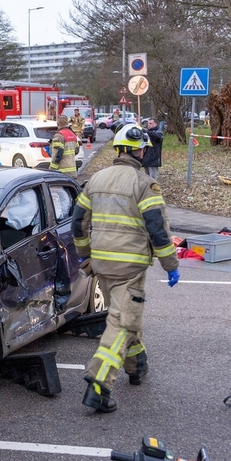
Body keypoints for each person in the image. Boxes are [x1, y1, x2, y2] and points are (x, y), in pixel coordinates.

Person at [72, 124, 179, 413]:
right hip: (130, 268)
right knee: (121, 323)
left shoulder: (95, 180)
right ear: (138, 151)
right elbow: (157, 229)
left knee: (125, 314)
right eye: (144, 148)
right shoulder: (144, 184)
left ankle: (137, 367)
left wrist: (86, 257)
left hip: (102, 266)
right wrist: (171, 264)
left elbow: (77, 223)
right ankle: (99, 384)